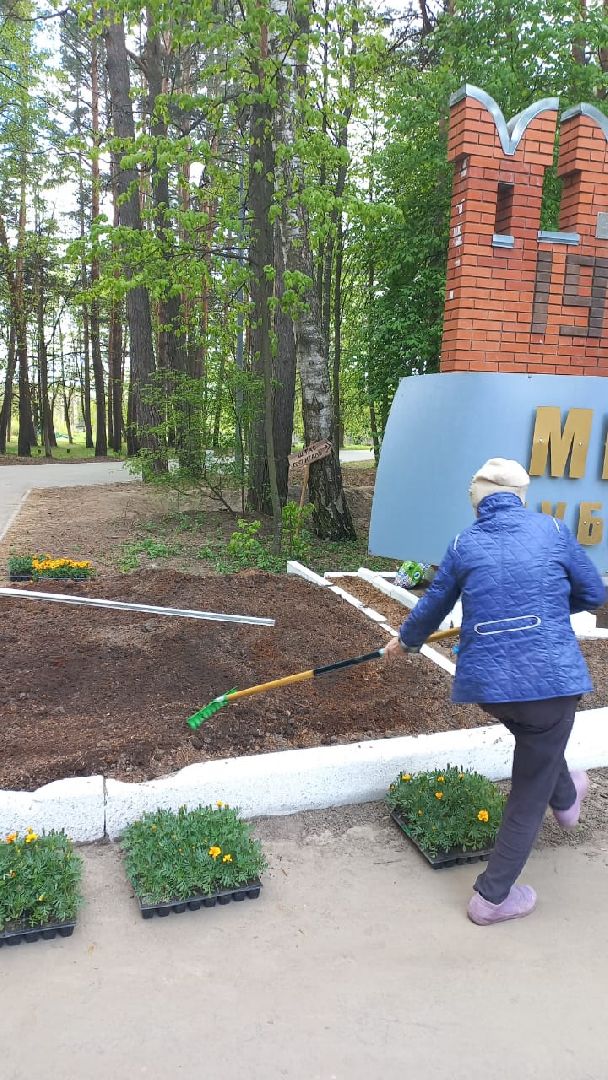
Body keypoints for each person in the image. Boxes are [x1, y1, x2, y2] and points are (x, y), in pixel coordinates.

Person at [384, 457, 606, 926]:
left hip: (490, 687)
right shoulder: (552, 530)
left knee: (538, 741)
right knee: (532, 779)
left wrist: (404, 641)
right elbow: (591, 593)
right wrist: (549, 604)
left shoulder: (465, 543)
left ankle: (566, 798)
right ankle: (492, 897)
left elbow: (432, 602)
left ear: (478, 502)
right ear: (521, 497)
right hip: (548, 681)